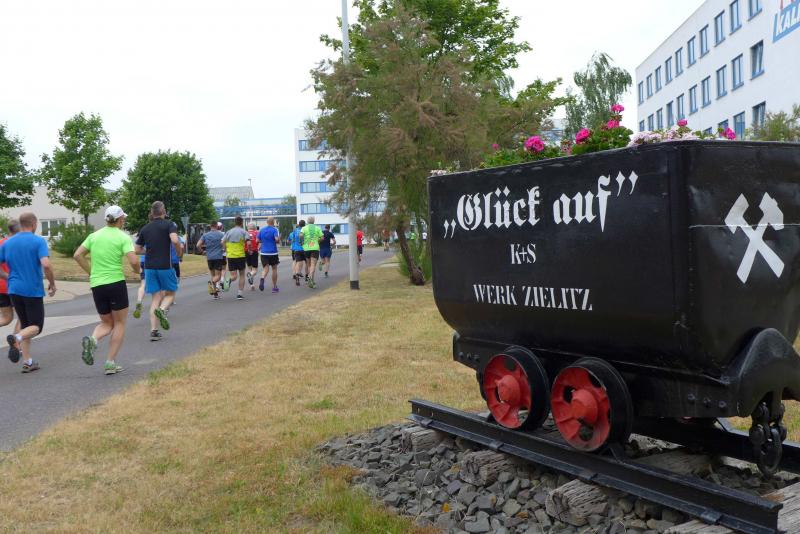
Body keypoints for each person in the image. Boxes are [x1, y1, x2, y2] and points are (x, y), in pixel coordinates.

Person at [73, 206, 140, 375]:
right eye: (123, 218)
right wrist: (137, 270)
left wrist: (91, 272)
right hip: (115, 283)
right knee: (119, 323)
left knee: (106, 323)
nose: (124, 221)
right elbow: (133, 260)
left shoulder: (94, 236)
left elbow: (77, 255)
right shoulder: (122, 237)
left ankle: (93, 339)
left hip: (97, 285)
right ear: (120, 219)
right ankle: (110, 363)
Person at [0, 212, 56, 373]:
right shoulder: (38, 241)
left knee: (25, 325)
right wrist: (52, 283)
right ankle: (16, 338)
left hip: (13, 289)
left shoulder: (8, 242)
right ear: (34, 223)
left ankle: (28, 361)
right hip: (32, 290)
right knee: (36, 327)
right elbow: (46, 264)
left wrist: (7, 277)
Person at [135, 201, 182, 341]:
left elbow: (137, 249)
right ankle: (162, 310)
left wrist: (149, 251)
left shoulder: (145, 228)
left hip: (149, 267)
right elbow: (175, 240)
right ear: (164, 211)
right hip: (165, 265)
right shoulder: (169, 224)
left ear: (152, 212)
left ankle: (154, 331)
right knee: (171, 293)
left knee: (155, 298)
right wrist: (179, 252)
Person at [197, 221, 225, 300]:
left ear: (210, 226)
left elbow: (198, 245)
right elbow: (224, 244)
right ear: (216, 226)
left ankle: (215, 294)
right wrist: (224, 249)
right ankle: (211, 283)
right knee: (218, 276)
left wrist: (202, 251)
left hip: (209, 257)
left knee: (213, 275)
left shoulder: (205, 235)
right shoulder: (221, 234)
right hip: (218, 257)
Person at [0, 218, 20, 329]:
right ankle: (16, 339)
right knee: (24, 318)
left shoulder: (0, 243)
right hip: (14, 285)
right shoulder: (17, 244)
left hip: (1, 286)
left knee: (6, 318)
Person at [223, 216, 248, 300]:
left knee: (233, 276)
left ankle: (228, 280)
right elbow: (249, 243)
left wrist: (225, 249)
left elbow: (222, 241)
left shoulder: (229, 232)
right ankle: (239, 294)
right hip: (240, 256)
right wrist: (250, 250)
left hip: (231, 256)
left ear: (235, 222)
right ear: (242, 223)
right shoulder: (244, 232)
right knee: (242, 275)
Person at [257, 216, 281, 293]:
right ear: (273, 222)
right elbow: (276, 240)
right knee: (274, 269)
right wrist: (279, 239)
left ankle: (262, 278)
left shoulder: (262, 230)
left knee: (265, 268)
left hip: (264, 252)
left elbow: (257, 240)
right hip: (273, 252)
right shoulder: (275, 229)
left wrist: (263, 241)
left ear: (267, 222)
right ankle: (274, 287)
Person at [300, 216, 323, 288]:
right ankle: (310, 278)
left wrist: (302, 242)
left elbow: (301, 235)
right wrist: (317, 241)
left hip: (306, 248)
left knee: (309, 265)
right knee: (313, 265)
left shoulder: (304, 228)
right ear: (314, 221)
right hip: (315, 248)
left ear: (307, 221)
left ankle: (311, 281)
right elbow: (322, 237)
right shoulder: (317, 228)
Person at [289, 221, 306, 286]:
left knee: (296, 262)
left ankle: (296, 274)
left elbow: (292, 240)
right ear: (304, 225)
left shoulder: (294, 231)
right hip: (303, 248)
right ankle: (306, 276)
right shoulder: (304, 230)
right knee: (306, 263)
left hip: (295, 249)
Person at [245, 222, 260, 291]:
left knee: (249, 268)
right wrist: (258, 248)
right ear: (254, 227)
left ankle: (252, 285)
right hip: (254, 251)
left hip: (246, 251)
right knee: (254, 270)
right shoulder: (257, 233)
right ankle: (250, 275)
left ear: (247, 227)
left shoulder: (245, 233)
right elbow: (259, 242)